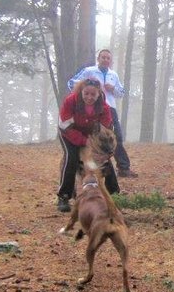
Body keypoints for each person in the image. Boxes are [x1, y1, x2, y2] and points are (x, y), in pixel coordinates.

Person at [68, 49, 137, 178]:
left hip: (110, 109)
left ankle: (124, 168)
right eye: (103, 57)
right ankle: (86, 168)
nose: (105, 60)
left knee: (116, 137)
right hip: (92, 109)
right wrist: (87, 89)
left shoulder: (114, 75)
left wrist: (113, 89)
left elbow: (121, 93)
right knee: (92, 138)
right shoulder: (89, 71)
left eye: (108, 58)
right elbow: (71, 83)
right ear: (98, 58)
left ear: (110, 61)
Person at [57, 79, 120, 213]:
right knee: (71, 158)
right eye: (86, 93)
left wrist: (104, 149)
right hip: (69, 133)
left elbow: (106, 130)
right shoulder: (70, 101)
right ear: (81, 91)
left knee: (105, 161)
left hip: (91, 136)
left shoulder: (104, 108)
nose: (89, 97)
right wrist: (83, 141)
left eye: (93, 94)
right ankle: (64, 196)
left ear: (99, 94)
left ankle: (114, 194)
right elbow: (65, 126)